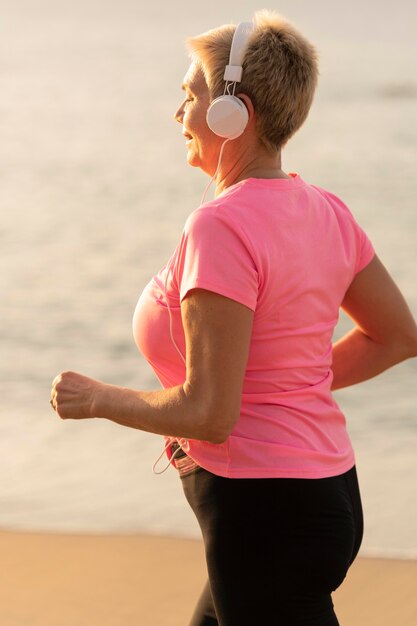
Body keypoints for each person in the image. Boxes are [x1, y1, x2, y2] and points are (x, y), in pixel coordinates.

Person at [50, 10, 417, 626]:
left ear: (233, 113)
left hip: (264, 514)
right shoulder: (327, 210)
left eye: (190, 94)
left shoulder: (220, 226)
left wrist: (98, 399)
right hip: (326, 492)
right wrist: (286, 382)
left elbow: (208, 416)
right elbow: (398, 336)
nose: (178, 114)